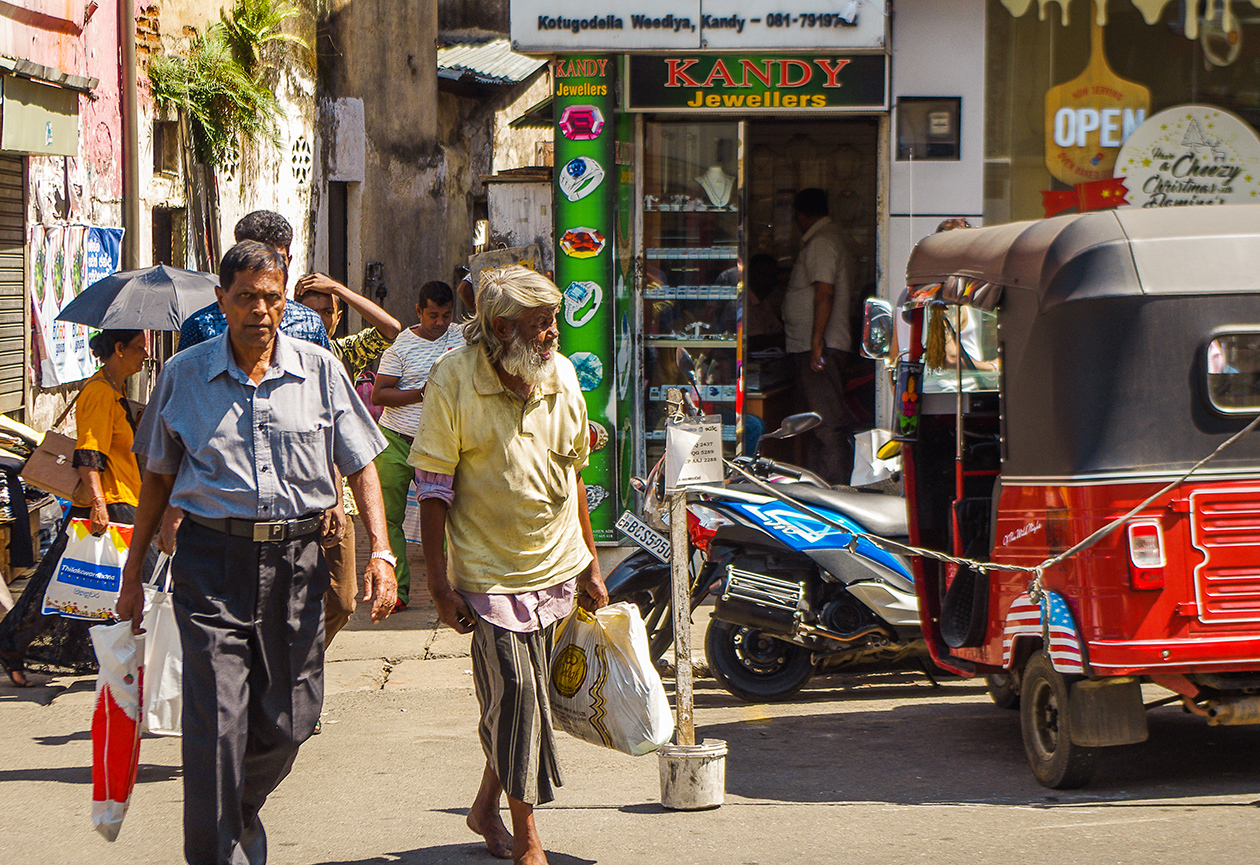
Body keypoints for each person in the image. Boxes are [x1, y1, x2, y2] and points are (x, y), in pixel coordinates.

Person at [116, 241, 397, 865]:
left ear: (284, 299)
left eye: (271, 297)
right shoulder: (182, 375)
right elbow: (158, 479)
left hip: (298, 563)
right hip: (211, 564)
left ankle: (236, 810)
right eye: (246, 298)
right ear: (222, 302)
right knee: (217, 722)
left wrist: (382, 551)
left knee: (294, 714)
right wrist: (133, 576)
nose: (260, 311)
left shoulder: (320, 370)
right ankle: (216, 851)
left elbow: (362, 464)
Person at [411, 265, 607, 865]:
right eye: (540, 324)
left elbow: (573, 474)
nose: (553, 334)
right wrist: (439, 586)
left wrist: (591, 564)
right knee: (519, 696)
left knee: (525, 705)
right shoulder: (454, 379)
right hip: (488, 575)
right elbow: (433, 489)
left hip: (558, 566)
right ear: (501, 328)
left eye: (553, 322)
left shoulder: (560, 375)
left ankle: (483, 808)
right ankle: (528, 839)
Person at [0, 330, 153, 686]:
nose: (144, 356)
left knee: (66, 582)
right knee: (67, 584)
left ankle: (15, 644)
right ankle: (12, 644)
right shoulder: (99, 392)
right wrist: (99, 503)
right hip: (109, 503)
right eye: (139, 349)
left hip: (124, 498)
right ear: (118, 349)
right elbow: (89, 454)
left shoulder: (114, 392)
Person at [294, 272, 401, 645]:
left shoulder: (342, 353)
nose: (321, 319)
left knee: (342, 600)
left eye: (328, 312)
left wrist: (340, 289)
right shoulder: (278, 358)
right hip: (295, 496)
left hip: (343, 490)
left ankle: (302, 659)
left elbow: (390, 328)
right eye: (312, 311)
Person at [371, 280, 464, 609]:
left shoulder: (461, 337)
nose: (439, 323)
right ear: (418, 311)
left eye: (446, 315)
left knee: (448, 516)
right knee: (390, 518)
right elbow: (379, 394)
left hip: (439, 443)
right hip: (396, 442)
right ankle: (398, 592)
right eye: (433, 315)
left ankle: (455, 588)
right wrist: (421, 393)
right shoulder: (400, 348)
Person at [780, 188, 857, 485]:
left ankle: (834, 491)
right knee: (816, 421)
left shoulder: (823, 242)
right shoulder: (827, 238)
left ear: (800, 214)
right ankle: (818, 486)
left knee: (826, 422)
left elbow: (825, 292)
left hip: (821, 346)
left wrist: (815, 343)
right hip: (819, 343)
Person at [179, 210, 329, 352]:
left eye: (278, 260)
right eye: (257, 261)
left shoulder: (309, 324)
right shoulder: (200, 326)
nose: (268, 270)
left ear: (289, 261)